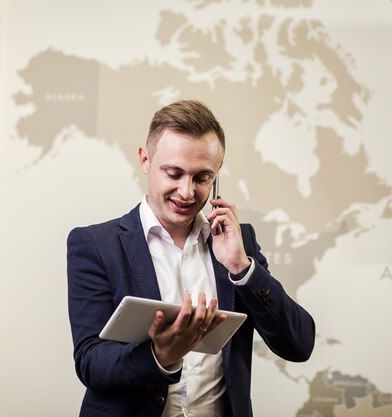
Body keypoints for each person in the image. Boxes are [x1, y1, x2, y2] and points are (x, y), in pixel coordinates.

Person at [67, 100, 315, 417]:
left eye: (202, 178)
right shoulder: (95, 245)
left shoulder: (240, 242)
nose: (186, 192)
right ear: (145, 159)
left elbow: (299, 345)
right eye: (174, 173)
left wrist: (242, 268)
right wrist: (161, 355)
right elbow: (91, 362)